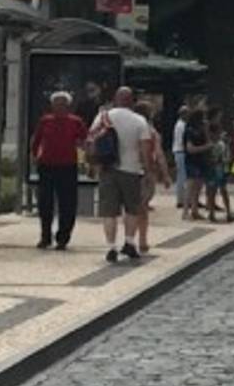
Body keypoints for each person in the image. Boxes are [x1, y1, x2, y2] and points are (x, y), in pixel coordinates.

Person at [88, 86, 152, 263]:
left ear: (116, 99)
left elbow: (91, 140)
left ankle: (111, 247)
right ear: (132, 101)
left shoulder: (103, 116)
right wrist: (148, 171)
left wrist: (94, 164)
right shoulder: (139, 120)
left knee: (109, 211)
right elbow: (145, 148)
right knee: (132, 208)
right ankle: (130, 243)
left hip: (108, 169)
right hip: (131, 170)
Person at [30, 91, 86, 250]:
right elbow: (36, 140)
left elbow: (84, 141)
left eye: (63, 104)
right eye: (56, 104)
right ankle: (45, 236)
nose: (59, 107)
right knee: (45, 202)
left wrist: (85, 159)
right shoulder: (45, 121)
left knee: (67, 204)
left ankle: (63, 237)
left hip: (68, 166)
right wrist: (34, 156)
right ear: (52, 106)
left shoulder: (76, 122)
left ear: (68, 106)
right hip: (47, 165)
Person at [133, 102, 174, 253]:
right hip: (146, 171)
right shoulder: (151, 132)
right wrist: (166, 175)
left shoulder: (130, 128)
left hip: (127, 170)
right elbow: (159, 154)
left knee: (131, 208)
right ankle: (142, 240)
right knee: (142, 207)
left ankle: (129, 238)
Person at [182, 110, 211, 221]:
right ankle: (185, 212)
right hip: (192, 161)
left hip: (201, 161)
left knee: (198, 187)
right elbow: (190, 149)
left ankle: (195, 210)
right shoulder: (190, 131)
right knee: (190, 186)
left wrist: (206, 130)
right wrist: (205, 147)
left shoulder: (202, 131)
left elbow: (208, 141)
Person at [205, 123, 234, 223]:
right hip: (219, 169)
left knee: (213, 191)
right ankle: (225, 213)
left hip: (215, 169)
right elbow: (227, 158)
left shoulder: (212, 144)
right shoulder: (219, 144)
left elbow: (226, 158)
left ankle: (213, 213)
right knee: (219, 191)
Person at [172, 105, 189, 208]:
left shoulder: (181, 124)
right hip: (181, 151)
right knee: (182, 177)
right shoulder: (181, 125)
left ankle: (184, 198)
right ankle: (180, 200)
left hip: (179, 151)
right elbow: (183, 140)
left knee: (182, 177)